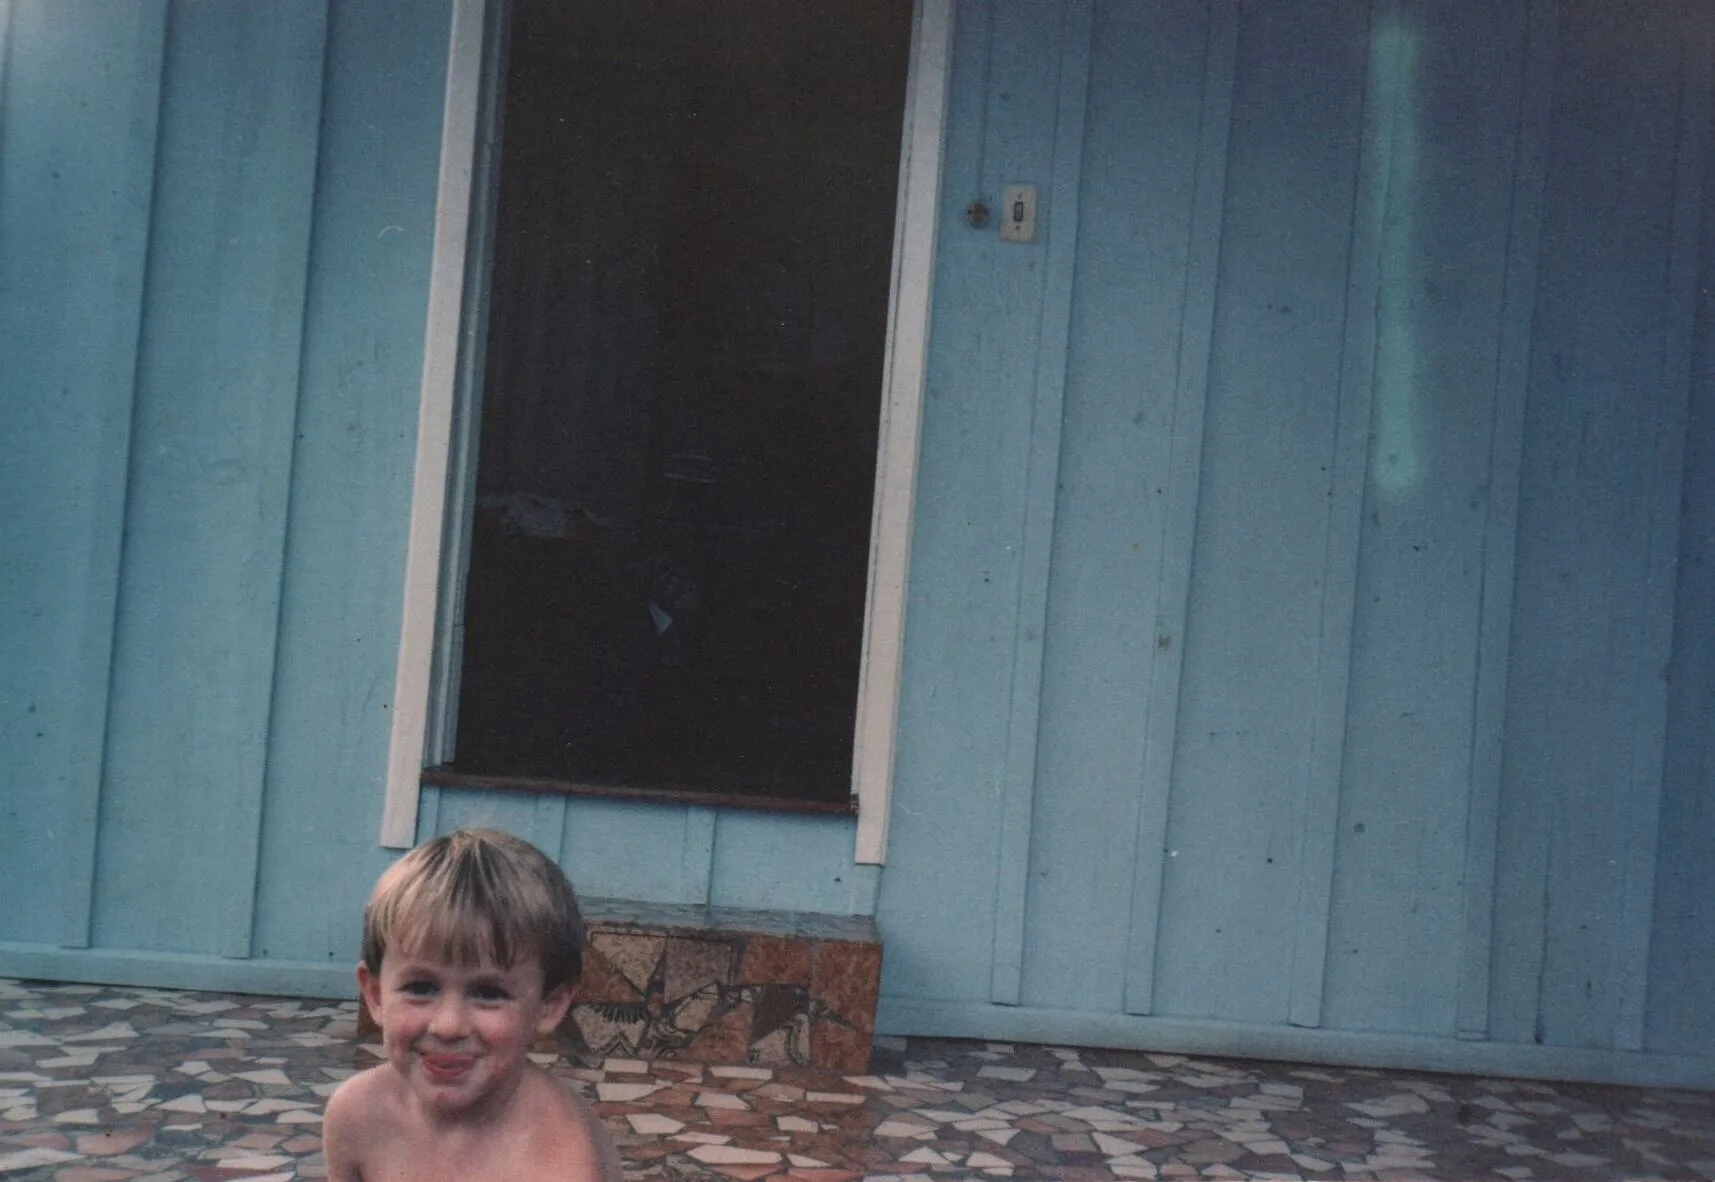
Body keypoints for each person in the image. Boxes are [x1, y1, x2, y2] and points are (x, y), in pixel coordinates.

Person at [324, 827, 624, 1182]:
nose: (448, 1025)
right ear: (375, 995)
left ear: (550, 1004)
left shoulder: (559, 1161)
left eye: (489, 993)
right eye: (420, 987)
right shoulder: (358, 1115)